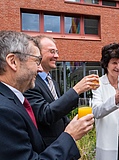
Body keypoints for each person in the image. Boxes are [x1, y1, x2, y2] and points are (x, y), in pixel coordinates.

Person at [0, 30, 94, 159]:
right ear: (13, 61)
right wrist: (70, 136)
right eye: (36, 60)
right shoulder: (4, 111)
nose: (39, 69)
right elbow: (46, 114)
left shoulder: (12, 99)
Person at [24, 35, 99, 146]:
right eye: (52, 51)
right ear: (38, 53)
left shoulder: (52, 82)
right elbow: (45, 115)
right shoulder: (30, 82)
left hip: (61, 146)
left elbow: (58, 112)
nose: (57, 56)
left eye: (57, 52)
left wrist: (74, 124)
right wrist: (77, 89)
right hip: (46, 149)